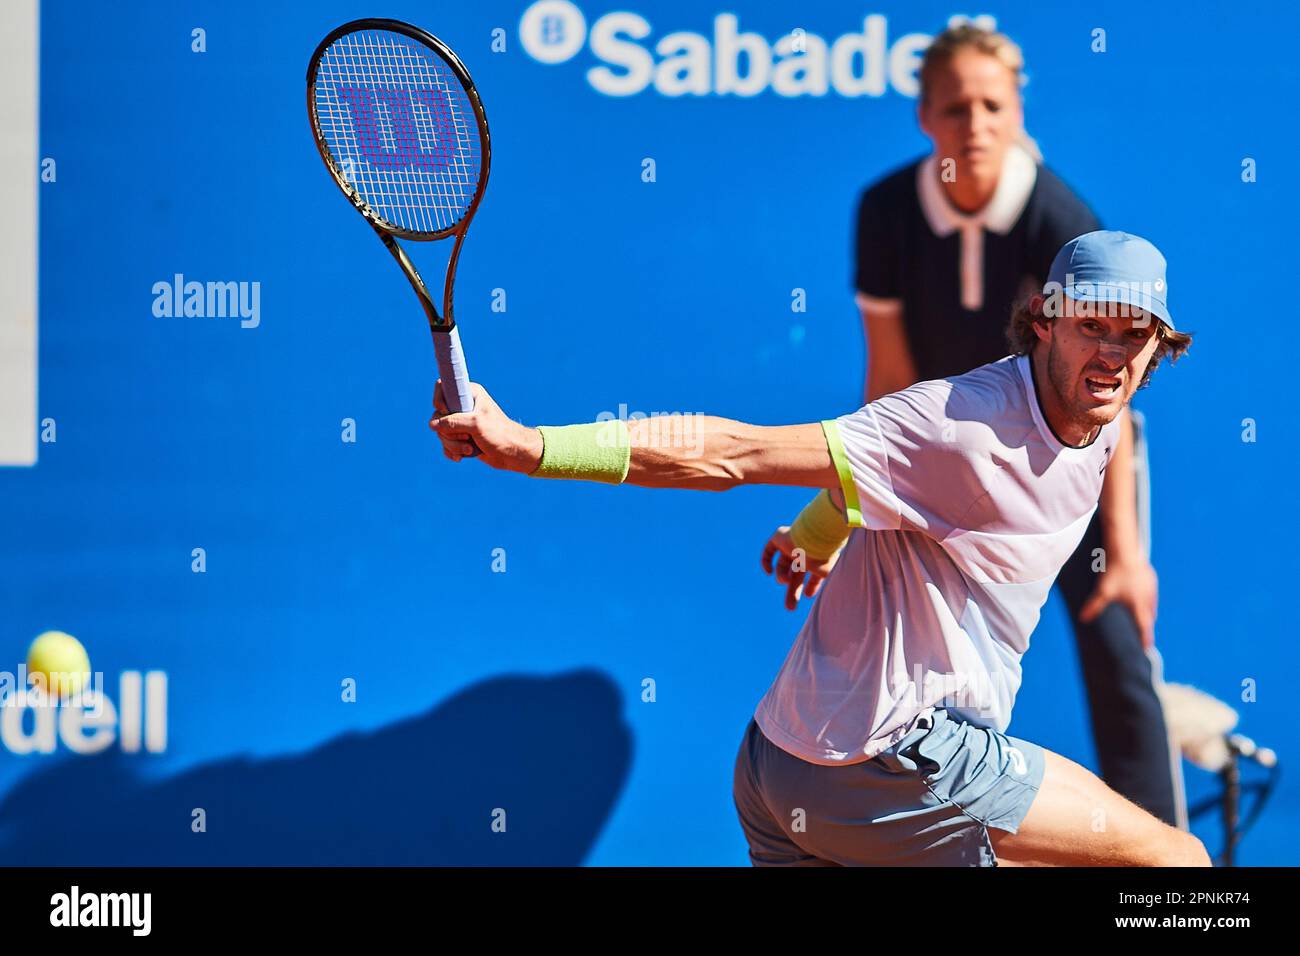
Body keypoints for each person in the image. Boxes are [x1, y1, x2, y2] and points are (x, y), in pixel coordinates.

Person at [429, 230, 1205, 866]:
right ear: (1044, 321)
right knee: (1179, 868)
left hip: (778, 772)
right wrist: (532, 446)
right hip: (895, 765)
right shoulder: (959, 426)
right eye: (1089, 326)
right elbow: (734, 453)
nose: (1110, 353)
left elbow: (891, 489)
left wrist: (818, 531)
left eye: (1133, 333)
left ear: (1161, 346)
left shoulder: (1101, 425)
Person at [761, 23, 1184, 827]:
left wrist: (1127, 556)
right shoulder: (886, 212)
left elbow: (1112, 400)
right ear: (925, 116)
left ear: (1019, 110)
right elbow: (888, 384)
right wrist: (837, 515)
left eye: (993, 105)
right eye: (956, 107)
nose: (975, 124)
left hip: (1073, 462)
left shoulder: (1059, 215)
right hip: (950, 464)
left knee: (1118, 641)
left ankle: (1166, 861)